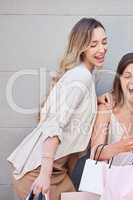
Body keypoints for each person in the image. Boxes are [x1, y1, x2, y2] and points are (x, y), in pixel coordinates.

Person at [7, 17, 108, 200]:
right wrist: (44, 176)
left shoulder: (82, 76)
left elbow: (69, 110)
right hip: (40, 172)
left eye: (104, 42)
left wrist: (96, 100)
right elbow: (53, 125)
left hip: (57, 172)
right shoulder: (81, 77)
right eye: (93, 44)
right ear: (81, 47)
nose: (101, 49)